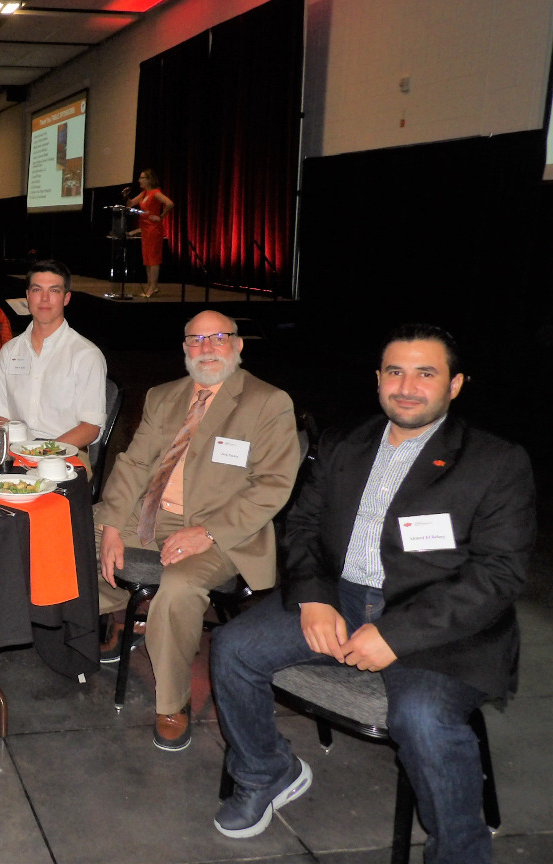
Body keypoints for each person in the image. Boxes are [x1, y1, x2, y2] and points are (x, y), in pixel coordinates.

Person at [209, 326, 533, 861]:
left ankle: (460, 851)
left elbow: (497, 575)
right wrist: (314, 597)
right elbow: (303, 527)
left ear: (454, 385)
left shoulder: (495, 462)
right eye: (394, 372)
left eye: (425, 373)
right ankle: (268, 772)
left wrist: (395, 633)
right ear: (377, 380)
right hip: (339, 598)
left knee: (424, 720)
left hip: (437, 622)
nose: (407, 386)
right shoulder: (343, 443)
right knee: (232, 648)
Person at [96, 310, 298, 751]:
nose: (206, 348)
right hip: (152, 514)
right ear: (184, 348)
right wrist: (112, 524)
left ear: (238, 344)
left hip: (225, 530)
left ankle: (172, 702)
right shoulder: (164, 395)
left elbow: (274, 486)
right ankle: (116, 613)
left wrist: (206, 533)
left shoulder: (268, 401)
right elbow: (132, 463)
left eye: (217, 337)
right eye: (195, 340)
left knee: (179, 587)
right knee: (71, 535)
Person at [0, 260, 105, 448]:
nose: (44, 299)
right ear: (27, 296)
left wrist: (42, 454)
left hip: (65, 454)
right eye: (37, 290)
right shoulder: (9, 352)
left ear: (66, 298)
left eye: (54, 291)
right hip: (15, 451)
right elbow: (0, 415)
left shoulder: (86, 355)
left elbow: (90, 427)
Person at [124, 168, 173, 298]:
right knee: (147, 259)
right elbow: (130, 204)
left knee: (153, 259)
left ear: (149, 179)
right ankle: (150, 285)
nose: (139, 180)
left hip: (154, 229)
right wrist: (126, 196)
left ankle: (153, 286)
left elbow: (169, 203)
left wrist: (161, 216)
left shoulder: (155, 193)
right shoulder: (144, 193)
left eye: (142, 178)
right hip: (145, 229)